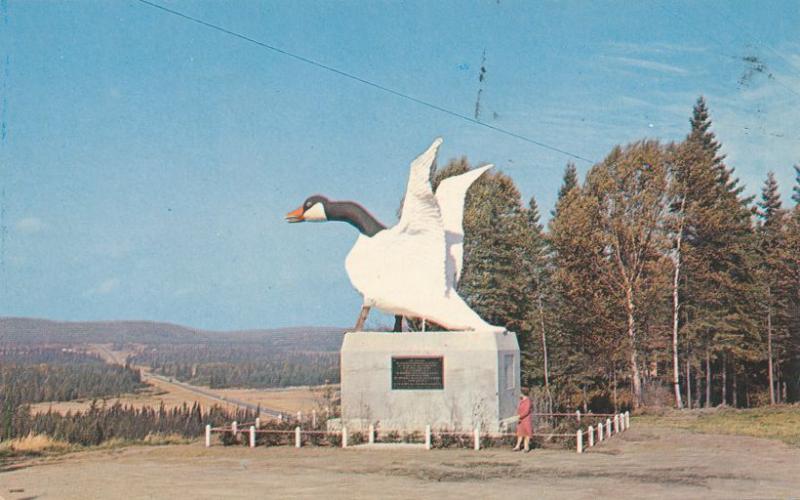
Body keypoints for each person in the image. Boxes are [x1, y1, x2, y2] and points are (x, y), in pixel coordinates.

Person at [513, 388, 533, 452]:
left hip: (526, 419)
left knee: (527, 433)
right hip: (521, 419)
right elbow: (519, 409)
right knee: (520, 433)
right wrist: (518, 416)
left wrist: (520, 416)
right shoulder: (521, 401)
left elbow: (526, 411)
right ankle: (517, 446)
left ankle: (526, 447)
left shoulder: (528, 401)